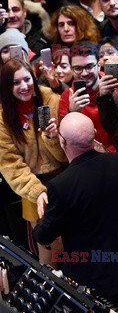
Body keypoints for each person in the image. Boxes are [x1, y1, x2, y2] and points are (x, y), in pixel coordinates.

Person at [33, 112, 118, 311]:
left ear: (62, 142)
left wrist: (42, 218)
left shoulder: (60, 185)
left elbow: (45, 234)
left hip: (89, 278)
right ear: (95, 134)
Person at [0, 58, 67, 265]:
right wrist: (38, 192)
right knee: (48, 255)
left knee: (73, 248)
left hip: (64, 180)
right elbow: (11, 165)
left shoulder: (51, 100)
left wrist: (52, 138)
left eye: (27, 79)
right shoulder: (3, 117)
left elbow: (65, 155)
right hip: (32, 189)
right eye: (15, 83)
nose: (24, 86)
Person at [59, 41, 118, 152]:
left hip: (115, 154)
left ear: (99, 66)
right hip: (85, 158)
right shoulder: (67, 96)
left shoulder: (116, 88)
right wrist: (72, 113)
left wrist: (109, 97)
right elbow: (66, 142)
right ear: (72, 69)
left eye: (89, 66)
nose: (84, 73)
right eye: (78, 68)